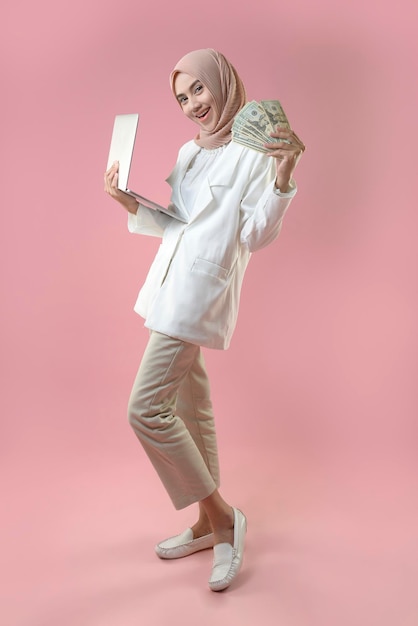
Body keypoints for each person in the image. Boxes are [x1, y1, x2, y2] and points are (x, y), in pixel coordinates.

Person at [104, 48, 305, 592]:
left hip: (199, 296)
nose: (192, 103)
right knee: (191, 406)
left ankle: (222, 518)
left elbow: (254, 234)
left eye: (198, 89)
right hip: (166, 288)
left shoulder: (254, 150)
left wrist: (283, 178)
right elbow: (179, 224)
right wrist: (129, 203)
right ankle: (203, 526)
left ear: (223, 82)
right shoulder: (189, 151)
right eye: (182, 97)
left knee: (146, 409)